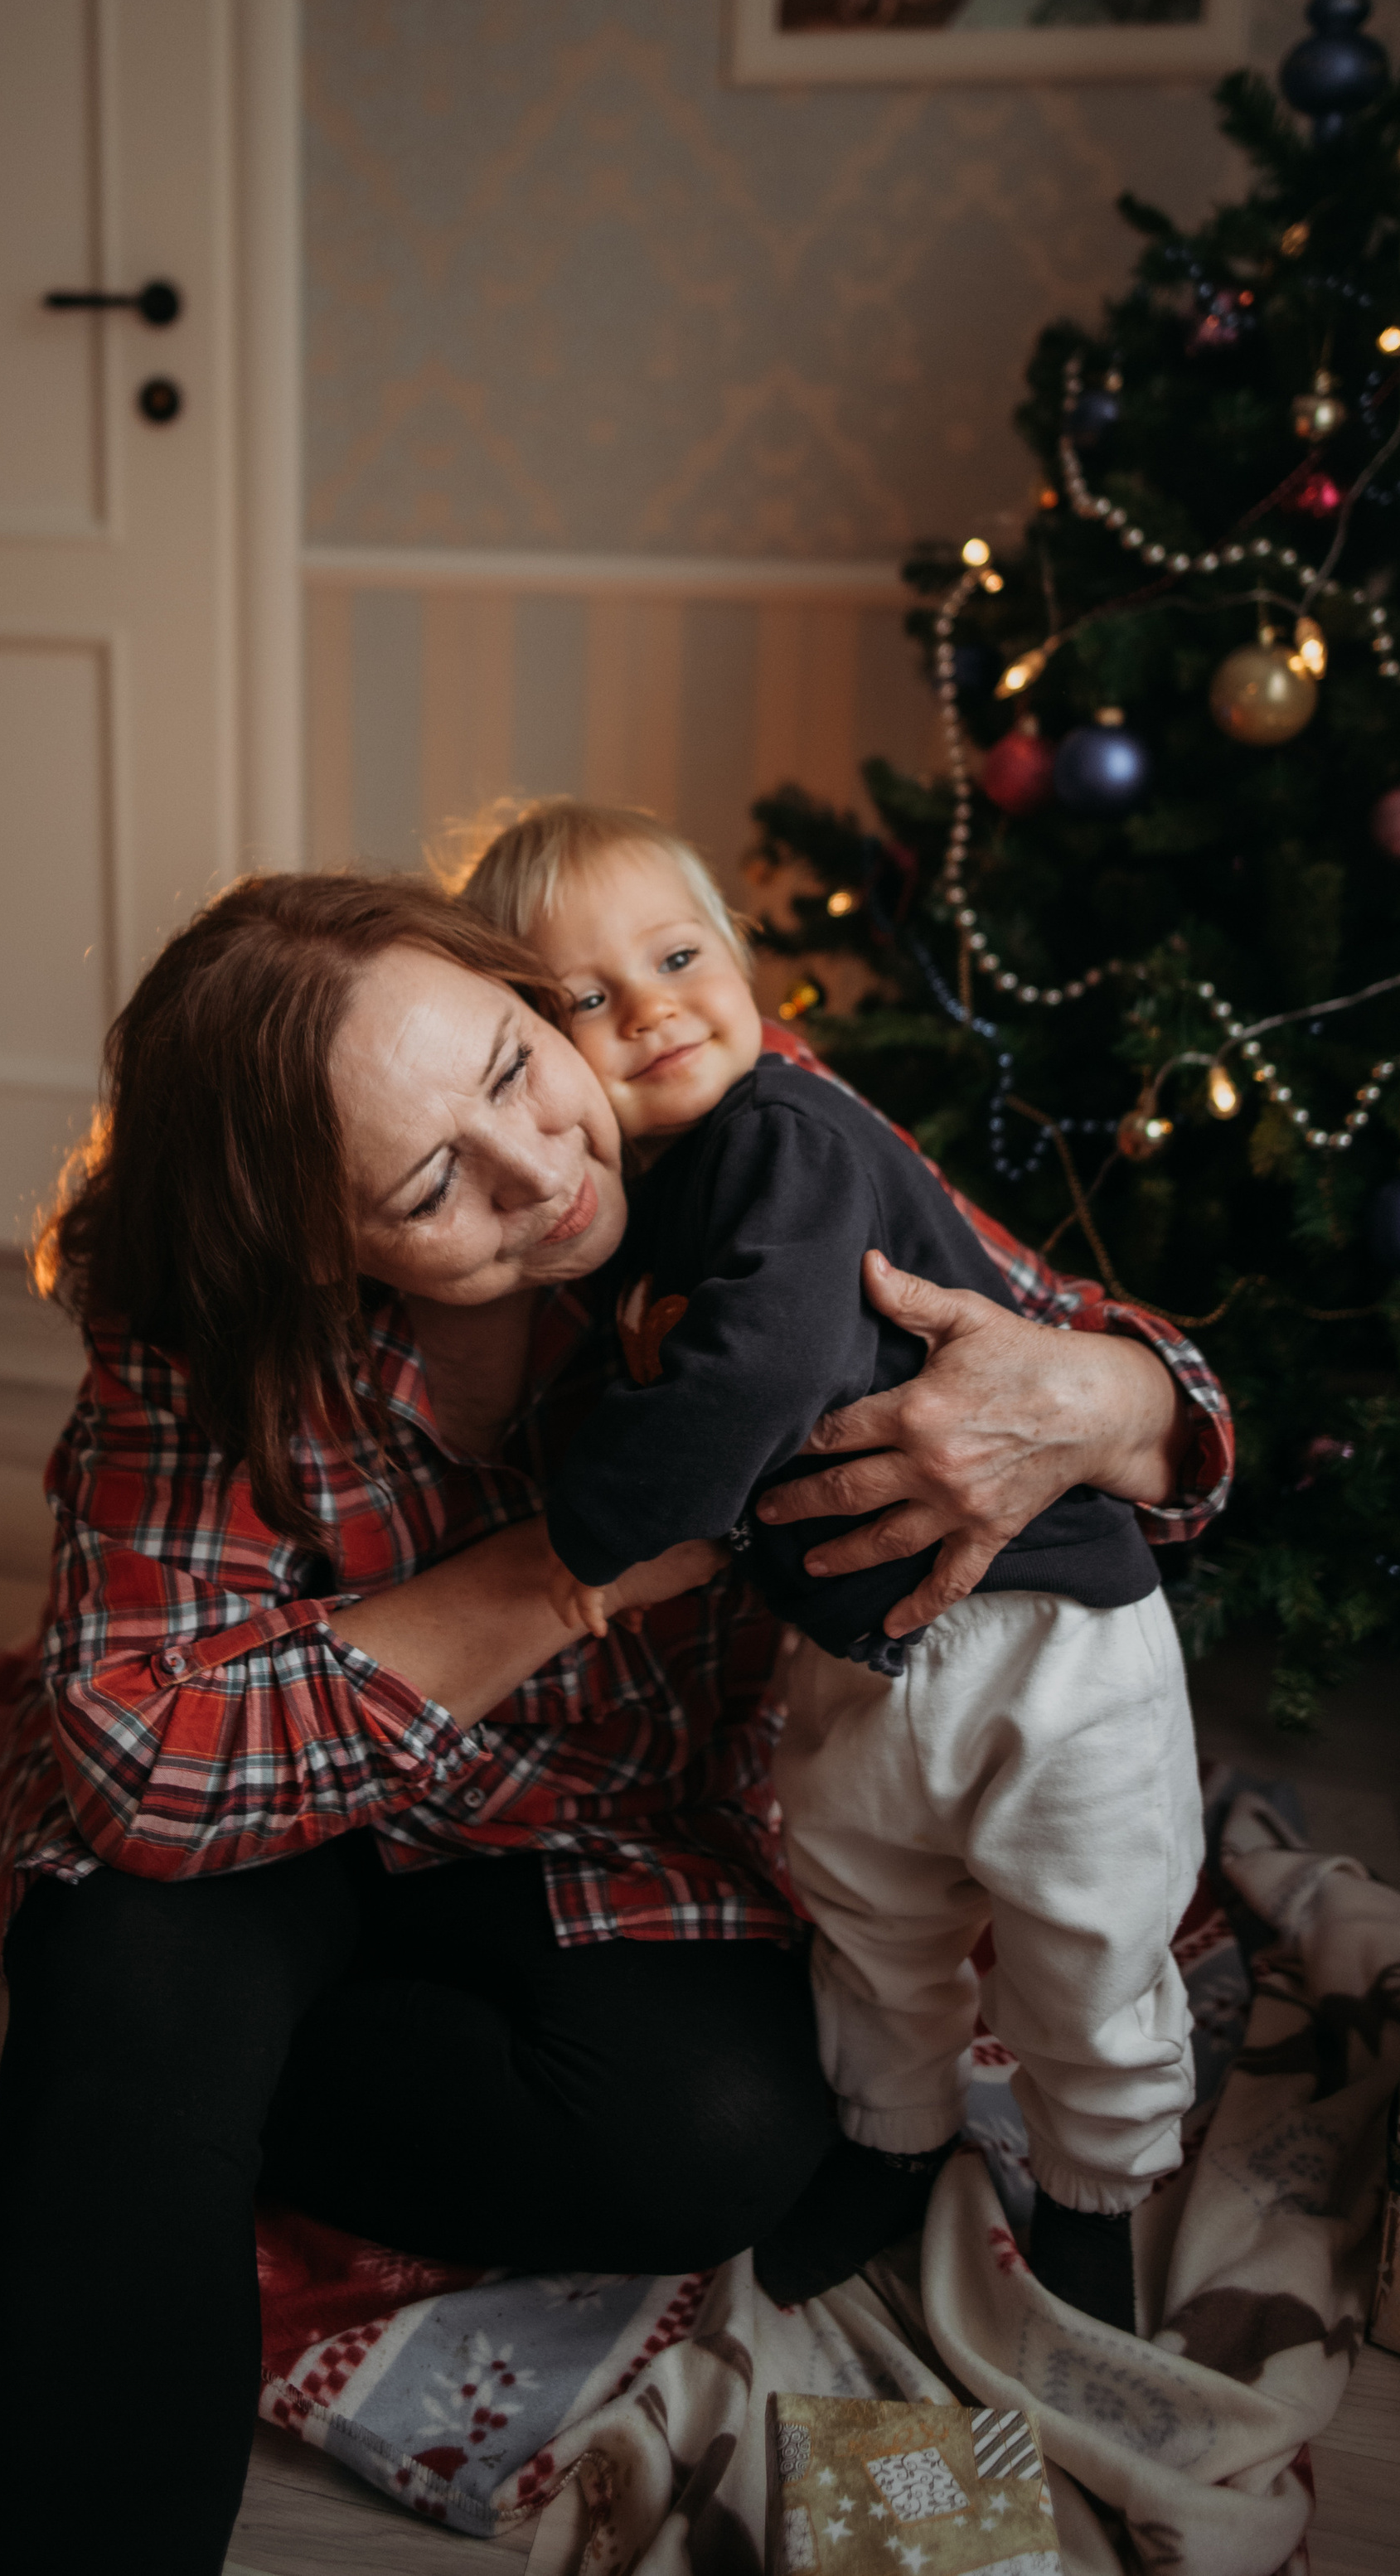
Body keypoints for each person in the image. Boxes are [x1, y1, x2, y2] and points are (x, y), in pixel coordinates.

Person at [0, 871, 1231, 2574]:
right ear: (313, 1246)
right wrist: (566, 1576)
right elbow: (139, 1764)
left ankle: (74, 2073)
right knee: (134, 1993)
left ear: (530, 997)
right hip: (279, 1804)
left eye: (507, 1068)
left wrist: (1098, 1398)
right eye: (429, 1189)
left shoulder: (720, 1109)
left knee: (719, 2141)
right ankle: (109, 2082)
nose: (542, 1176)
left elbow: (1182, 1401)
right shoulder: (202, 1313)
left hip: (596, 1819)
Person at [457, 798, 1205, 2331]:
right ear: (532, 1049)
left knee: (1087, 1944)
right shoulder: (652, 1202)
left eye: (675, 957)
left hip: (1043, 1633)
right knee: (871, 1926)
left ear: (741, 961)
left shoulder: (783, 1134)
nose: (651, 1008)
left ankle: (1089, 2202)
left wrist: (585, 1541)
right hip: (856, 1649)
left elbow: (753, 1375)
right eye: (586, 998)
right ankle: (890, 2146)